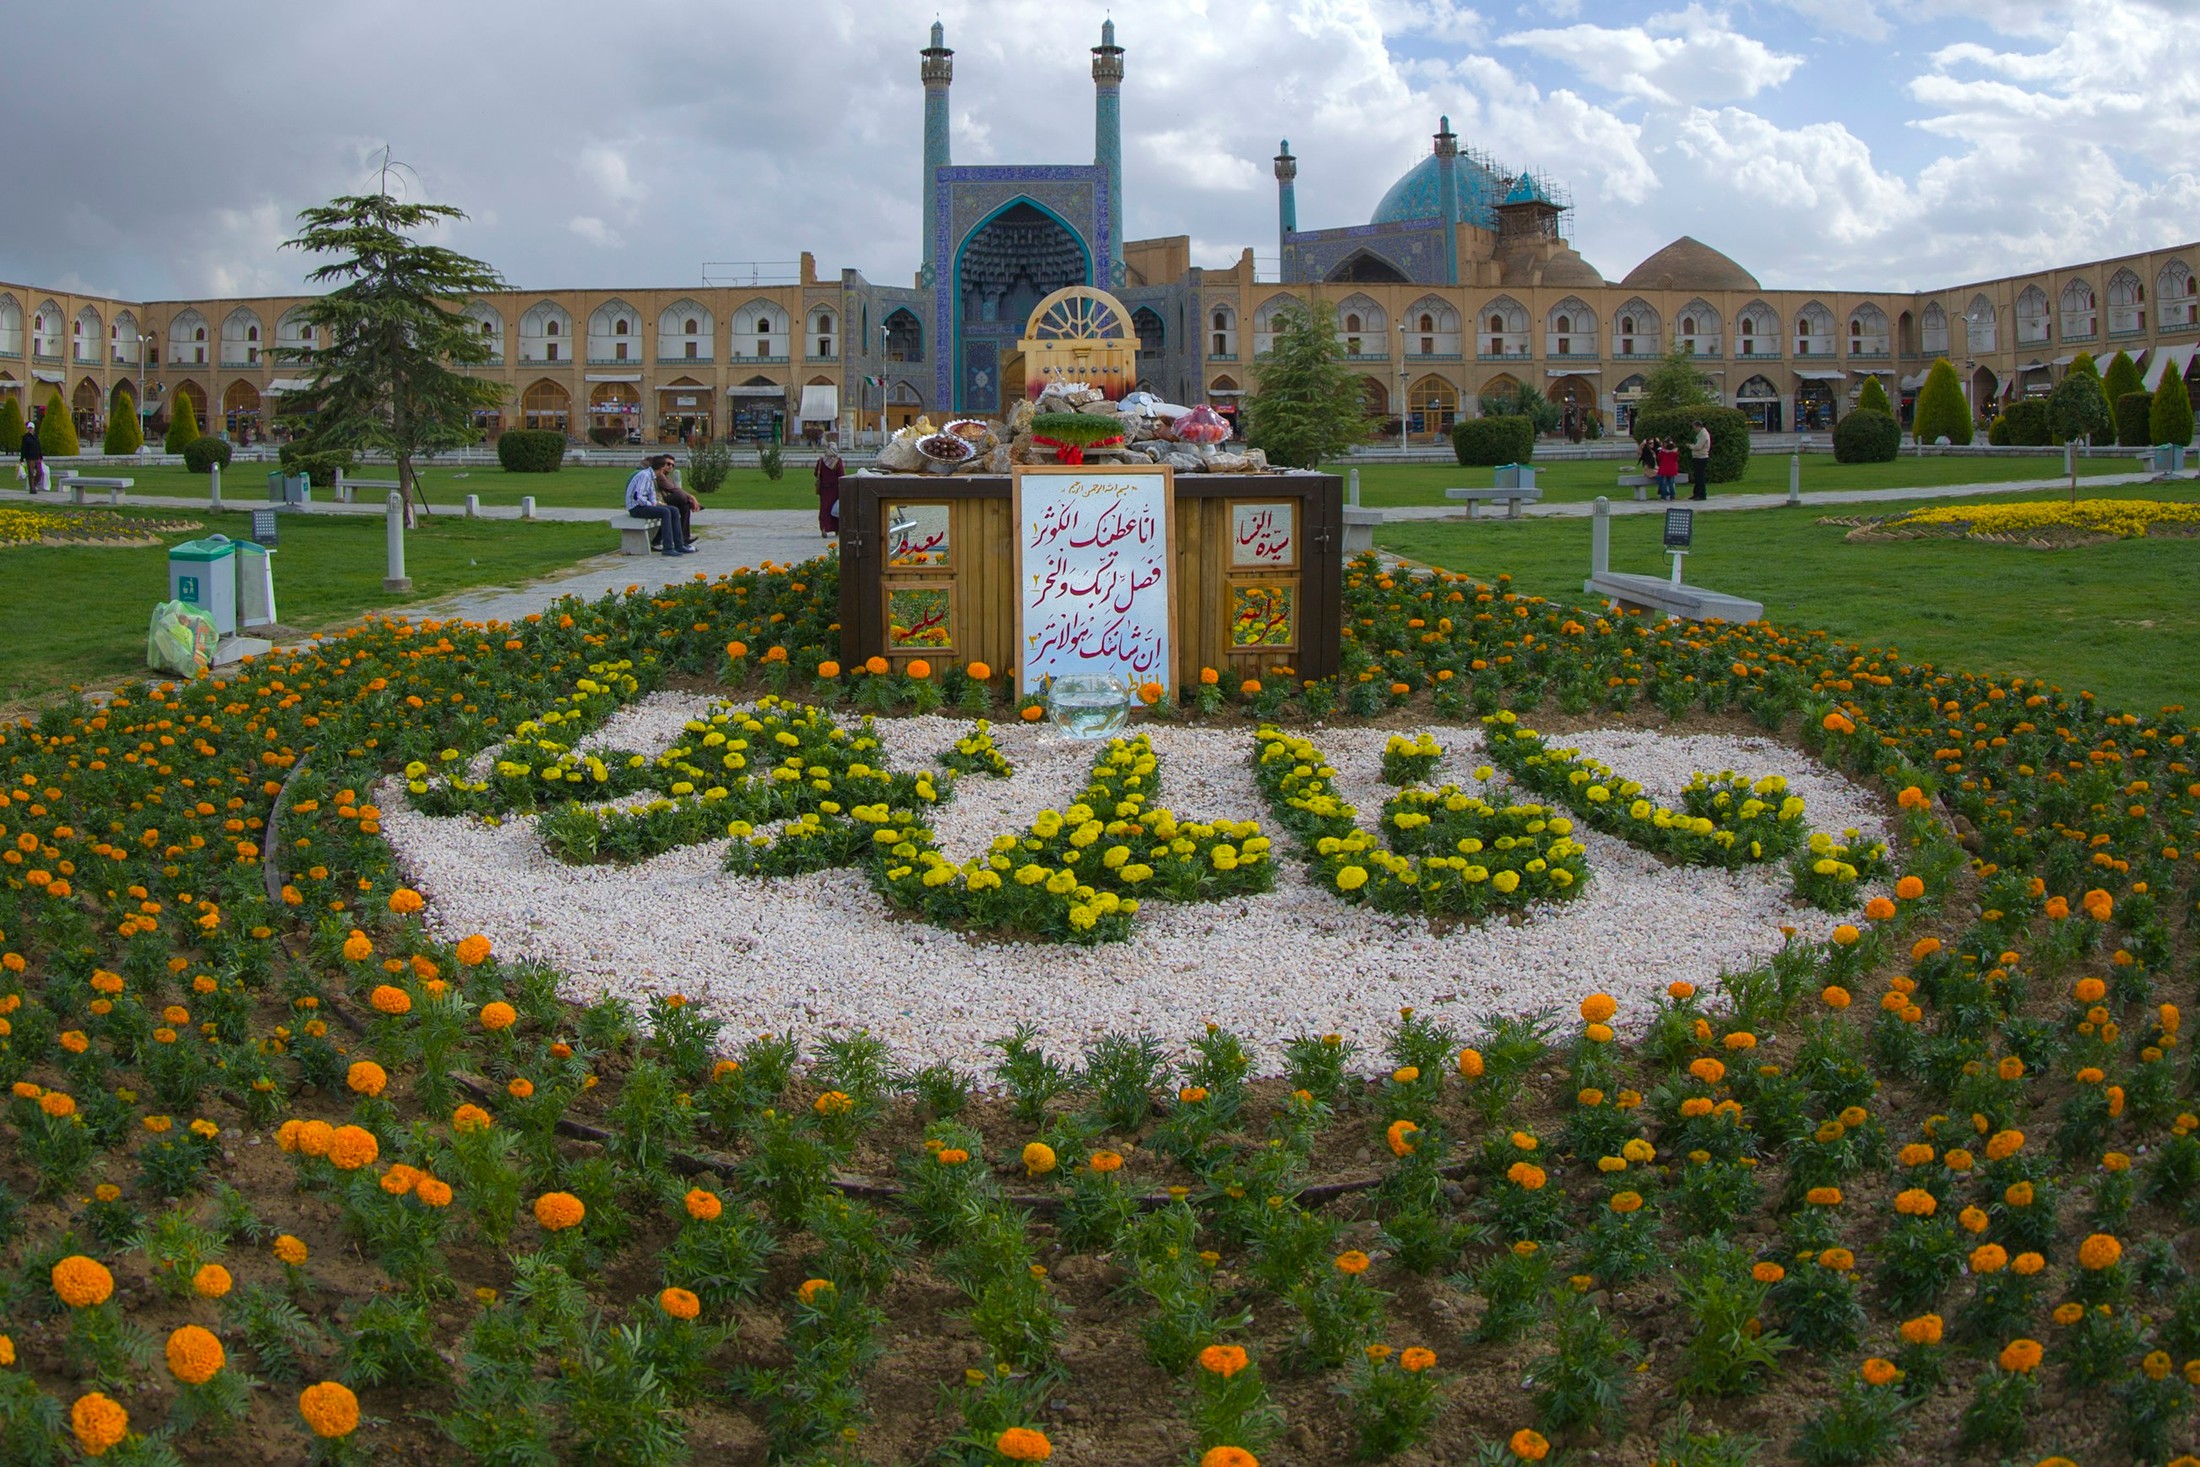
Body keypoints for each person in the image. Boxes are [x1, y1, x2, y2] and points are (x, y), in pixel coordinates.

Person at [624, 453, 691, 555]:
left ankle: (679, 545)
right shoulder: (644, 476)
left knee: (673, 510)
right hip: (636, 507)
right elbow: (638, 497)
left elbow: (651, 494)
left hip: (644, 505)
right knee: (665, 512)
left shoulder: (651, 476)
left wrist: (656, 503)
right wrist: (651, 504)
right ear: (661, 468)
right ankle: (667, 548)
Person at [814, 442, 844, 542]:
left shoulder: (821, 461)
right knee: (835, 509)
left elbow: (816, 473)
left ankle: (824, 528)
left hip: (824, 489)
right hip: (835, 489)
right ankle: (836, 529)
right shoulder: (838, 461)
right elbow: (841, 475)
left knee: (824, 509)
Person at [19, 411, 45, 494]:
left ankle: (34, 484)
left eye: (31, 428)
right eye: (28, 428)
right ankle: (32, 489)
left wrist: (41, 456)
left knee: (40, 472)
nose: (30, 429)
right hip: (30, 457)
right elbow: (23, 448)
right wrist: (22, 458)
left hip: (37, 457)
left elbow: (39, 446)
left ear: (33, 428)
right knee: (31, 473)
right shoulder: (25, 437)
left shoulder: (36, 436)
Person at [1689, 418, 1712, 501]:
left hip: (1701, 457)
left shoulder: (1703, 434)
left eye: (1694, 427)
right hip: (1697, 457)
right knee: (1697, 476)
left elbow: (1698, 446)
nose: (1694, 429)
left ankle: (1702, 494)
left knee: (1700, 477)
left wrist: (1690, 446)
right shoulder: (1700, 434)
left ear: (1698, 426)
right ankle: (1696, 493)